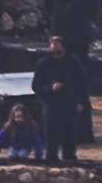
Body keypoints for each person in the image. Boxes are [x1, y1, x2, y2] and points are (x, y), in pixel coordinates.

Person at [34, 32, 85, 162]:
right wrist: (50, 88)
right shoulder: (43, 63)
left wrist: (80, 101)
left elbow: (81, 82)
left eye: (57, 45)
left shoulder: (73, 61)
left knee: (70, 133)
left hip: (70, 102)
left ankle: (69, 157)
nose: (54, 48)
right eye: (52, 45)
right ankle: (51, 158)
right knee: (52, 134)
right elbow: (36, 86)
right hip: (52, 104)